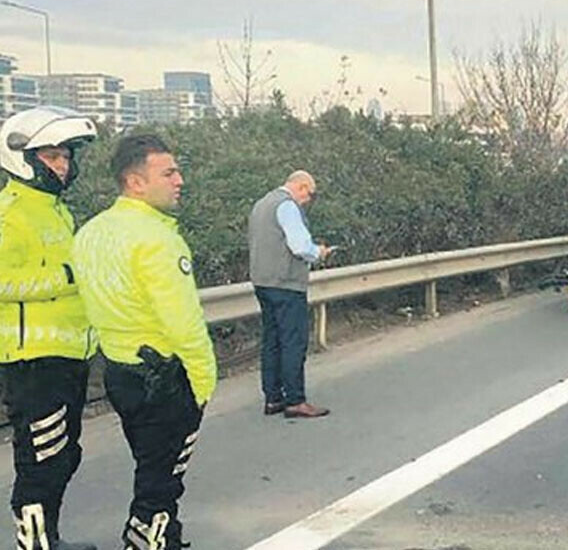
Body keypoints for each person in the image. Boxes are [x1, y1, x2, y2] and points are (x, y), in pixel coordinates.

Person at [73, 134, 217, 550]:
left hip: (119, 371)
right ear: (135, 182)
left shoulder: (91, 232)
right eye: (169, 172)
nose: (180, 180)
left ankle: (165, 538)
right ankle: (150, 541)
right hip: (164, 379)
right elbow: (183, 321)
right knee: (162, 481)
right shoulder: (157, 239)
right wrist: (204, 382)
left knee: (151, 467)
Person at [0, 107, 98, 550]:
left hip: (68, 356)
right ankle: (35, 546)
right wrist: (66, 277)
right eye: (52, 156)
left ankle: (47, 538)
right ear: (24, 156)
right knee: (40, 460)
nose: (62, 165)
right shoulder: (10, 213)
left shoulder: (57, 212)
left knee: (63, 455)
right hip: (32, 361)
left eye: (65, 157)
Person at [248, 171, 331, 418]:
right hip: (286, 283)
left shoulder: (262, 204)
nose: (308, 200)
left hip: (262, 281)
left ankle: (273, 397)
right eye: (310, 195)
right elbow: (300, 246)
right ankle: (295, 400)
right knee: (293, 341)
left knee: (271, 341)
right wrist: (319, 252)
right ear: (302, 186)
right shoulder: (287, 206)